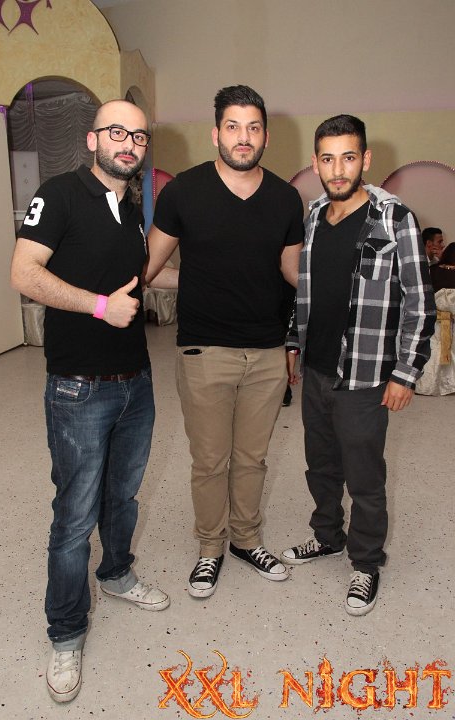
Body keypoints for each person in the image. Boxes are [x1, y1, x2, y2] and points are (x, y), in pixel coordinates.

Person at [10, 100, 175, 703]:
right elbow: (25, 273)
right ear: (92, 139)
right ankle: (66, 630)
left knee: (121, 496)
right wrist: (100, 307)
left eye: (138, 135)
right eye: (117, 132)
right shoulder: (59, 194)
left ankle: (117, 573)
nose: (128, 143)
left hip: (136, 382)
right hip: (78, 387)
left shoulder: (130, 208)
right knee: (76, 514)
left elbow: (141, 278)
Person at [145, 85, 304, 598]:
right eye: (233, 126)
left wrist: (344, 291)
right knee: (211, 461)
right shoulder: (183, 192)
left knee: (253, 458)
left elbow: (292, 271)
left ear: (266, 136)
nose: (243, 137)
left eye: (253, 127)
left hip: (267, 351)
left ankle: (247, 540)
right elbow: (148, 267)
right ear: (216, 133)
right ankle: (210, 547)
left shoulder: (285, 198)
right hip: (203, 350)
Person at [282, 115, 436, 616]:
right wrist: (293, 341)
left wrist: (406, 372)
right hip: (316, 370)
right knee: (321, 466)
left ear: (365, 159)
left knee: (365, 476)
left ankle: (366, 561)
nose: (338, 169)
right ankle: (327, 535)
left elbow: (420, 301)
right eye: (327, 159)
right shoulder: (312, 216)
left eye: (348, 157)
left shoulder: (395, 218)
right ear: (315, 163)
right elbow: (305, 289)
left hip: (367, 376)